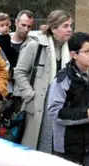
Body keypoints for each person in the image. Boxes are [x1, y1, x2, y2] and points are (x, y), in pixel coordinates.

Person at [45, 32, 89, 166]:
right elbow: (54, 112)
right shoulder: (63, 79)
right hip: (67, 144)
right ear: (74, 54)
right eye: (87, 51)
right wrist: (85, 114)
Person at [13, 10, 73, 152]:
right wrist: (29, 95)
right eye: (65, 26)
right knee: (39, 147)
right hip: (40, 104)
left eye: (71, 25)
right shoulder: (36, 45)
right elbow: (19, 72)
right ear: (54, 28)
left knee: (57, 146)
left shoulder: (71, 49)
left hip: (62, 104)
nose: (70, 29)